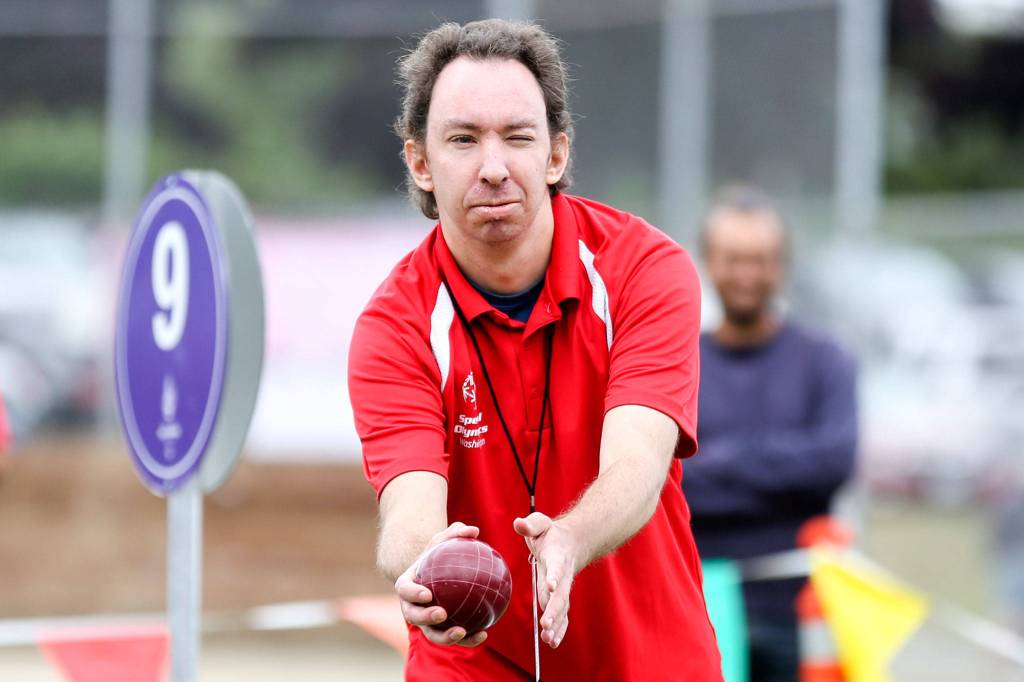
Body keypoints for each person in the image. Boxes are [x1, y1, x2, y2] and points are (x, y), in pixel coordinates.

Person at [348, 19, 722, 682]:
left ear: (555, 154)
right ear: (420, 163)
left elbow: (638, 463)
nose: (493, 168)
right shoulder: (394, 324)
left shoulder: (646, 270)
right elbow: (408, 508)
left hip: (649, 657)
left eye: (517, 137)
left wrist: (569, 540)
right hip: (469, 658)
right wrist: (418, 562)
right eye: (462, 139)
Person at [682, 185, 858, 682]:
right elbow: (663, 479)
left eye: (760, 260)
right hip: (697, 606)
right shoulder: (679, 363)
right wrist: (777, 471)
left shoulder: (825, 361)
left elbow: (833, 463)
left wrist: (716, 462)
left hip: (800, 614)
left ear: (781, 265)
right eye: (733, 259)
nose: (746, 275)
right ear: (709, 263)